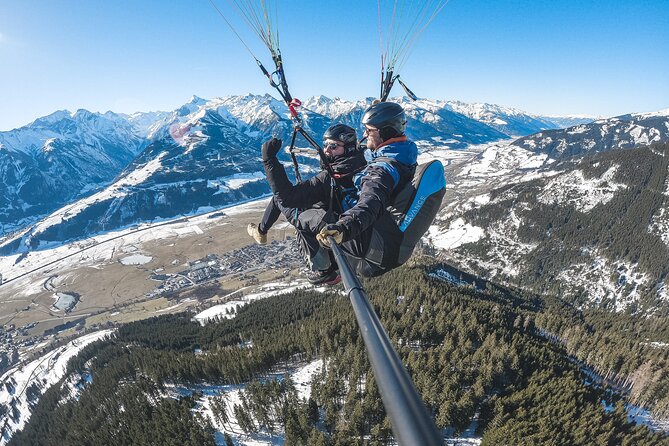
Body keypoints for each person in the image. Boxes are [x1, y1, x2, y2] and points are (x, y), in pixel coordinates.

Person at [260, 123, 367, 284]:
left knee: (292, 209)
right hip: (352, 229)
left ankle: (324, 269)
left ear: (349, 148)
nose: (326, 150)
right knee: (289, 202)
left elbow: (287, 198)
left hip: (337, 232)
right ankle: (262, 231)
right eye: (325, 145)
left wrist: (269, 161)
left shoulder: (330, 177)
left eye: (333, 146)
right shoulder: (363, 163)